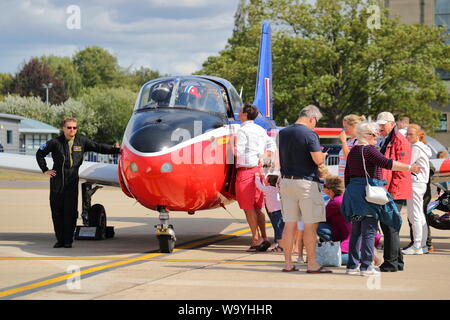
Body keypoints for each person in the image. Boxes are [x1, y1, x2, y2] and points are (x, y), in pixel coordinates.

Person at [341, 121, 422, 276]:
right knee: (369, 230)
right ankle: (366, 267)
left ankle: (352, 266)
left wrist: (350, 194)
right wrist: (410, 167)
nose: (376, 138)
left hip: (354, 192)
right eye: (374, 134)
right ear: (366, 135)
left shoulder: (353, 151)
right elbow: (387, 163)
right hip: (369, 193)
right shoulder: (369, 150)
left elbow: (347, 174)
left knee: (356, 231)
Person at [36, 117, 121, 248]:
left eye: (74, 128)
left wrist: (116, 150)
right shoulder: (54, 142)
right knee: (57, 212)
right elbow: (40, 153)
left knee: (70, 212)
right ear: (63, 128)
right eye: (69, 127)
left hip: (72, 180)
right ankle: (60, 240)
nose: (72, 130)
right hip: (57, 181)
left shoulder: (82, 141)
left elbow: (98, 147)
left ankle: (68, 241)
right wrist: (45, 170)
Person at [278, 105, 331, 273]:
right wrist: (323, 155)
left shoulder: (283, 133)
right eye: (316, 122)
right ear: (311, 118)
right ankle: (312, 263)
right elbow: (317, 160)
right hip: (306, 183)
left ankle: (288, 263)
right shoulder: (309, 134)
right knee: (309, 225)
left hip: (287, 182)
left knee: (289, 225)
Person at [235, 103, 276, 252]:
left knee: (248, 207)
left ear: (245, 114)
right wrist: (267, 156)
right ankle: (264, 237)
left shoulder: (242, 131)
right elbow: (271, 144)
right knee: (258, 207)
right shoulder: (260, 129)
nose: (238, 113)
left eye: (240, 111)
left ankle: (255, 239)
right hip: (258, 171)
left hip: (246, 171)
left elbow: (238, 151)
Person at [377, 111, 412, 272]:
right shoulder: (388, 139)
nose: (380, 127)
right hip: (390, 188)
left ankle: (391, 263)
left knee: (389, 226)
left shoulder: (399, 141)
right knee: (390, 226)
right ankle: (397, 261)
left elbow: (401, 170)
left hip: (394, 190)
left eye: (383, 125)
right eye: (379, 124)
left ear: (392, 124)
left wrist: (391, 192)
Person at [403, 124, 431, 255]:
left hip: (415, 183)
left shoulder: (415, 147)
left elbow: (406, 164)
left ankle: (417, 245)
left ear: (418, 135)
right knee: (418, 214)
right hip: (420, 183)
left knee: (414, 215)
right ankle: (422, 244)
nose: (407, 136)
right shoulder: (422, 147)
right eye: (406, 134)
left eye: (410, 134)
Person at [254, 172, 284, 252]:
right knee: (281, 227)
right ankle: (282, 244)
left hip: (274, 213)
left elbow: (259, 185)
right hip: (279, 211)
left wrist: (257, 177)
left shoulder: (268, 189)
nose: (264, 181)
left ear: (269, 182)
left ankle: (281, 246)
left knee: (278, 228)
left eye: (266, 180)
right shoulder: (276, 188)